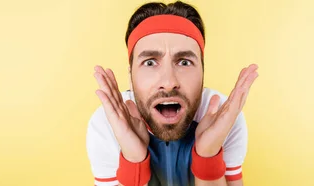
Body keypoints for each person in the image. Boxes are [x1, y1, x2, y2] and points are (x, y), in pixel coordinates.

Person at [86, 1, 259, 186]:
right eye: (150, 62)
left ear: (203, 73)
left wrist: (208, 154)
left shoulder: (224, 118)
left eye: (184, 62)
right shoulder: (108, 124)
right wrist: (134, 161)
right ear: (130, 76)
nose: (169, 83)